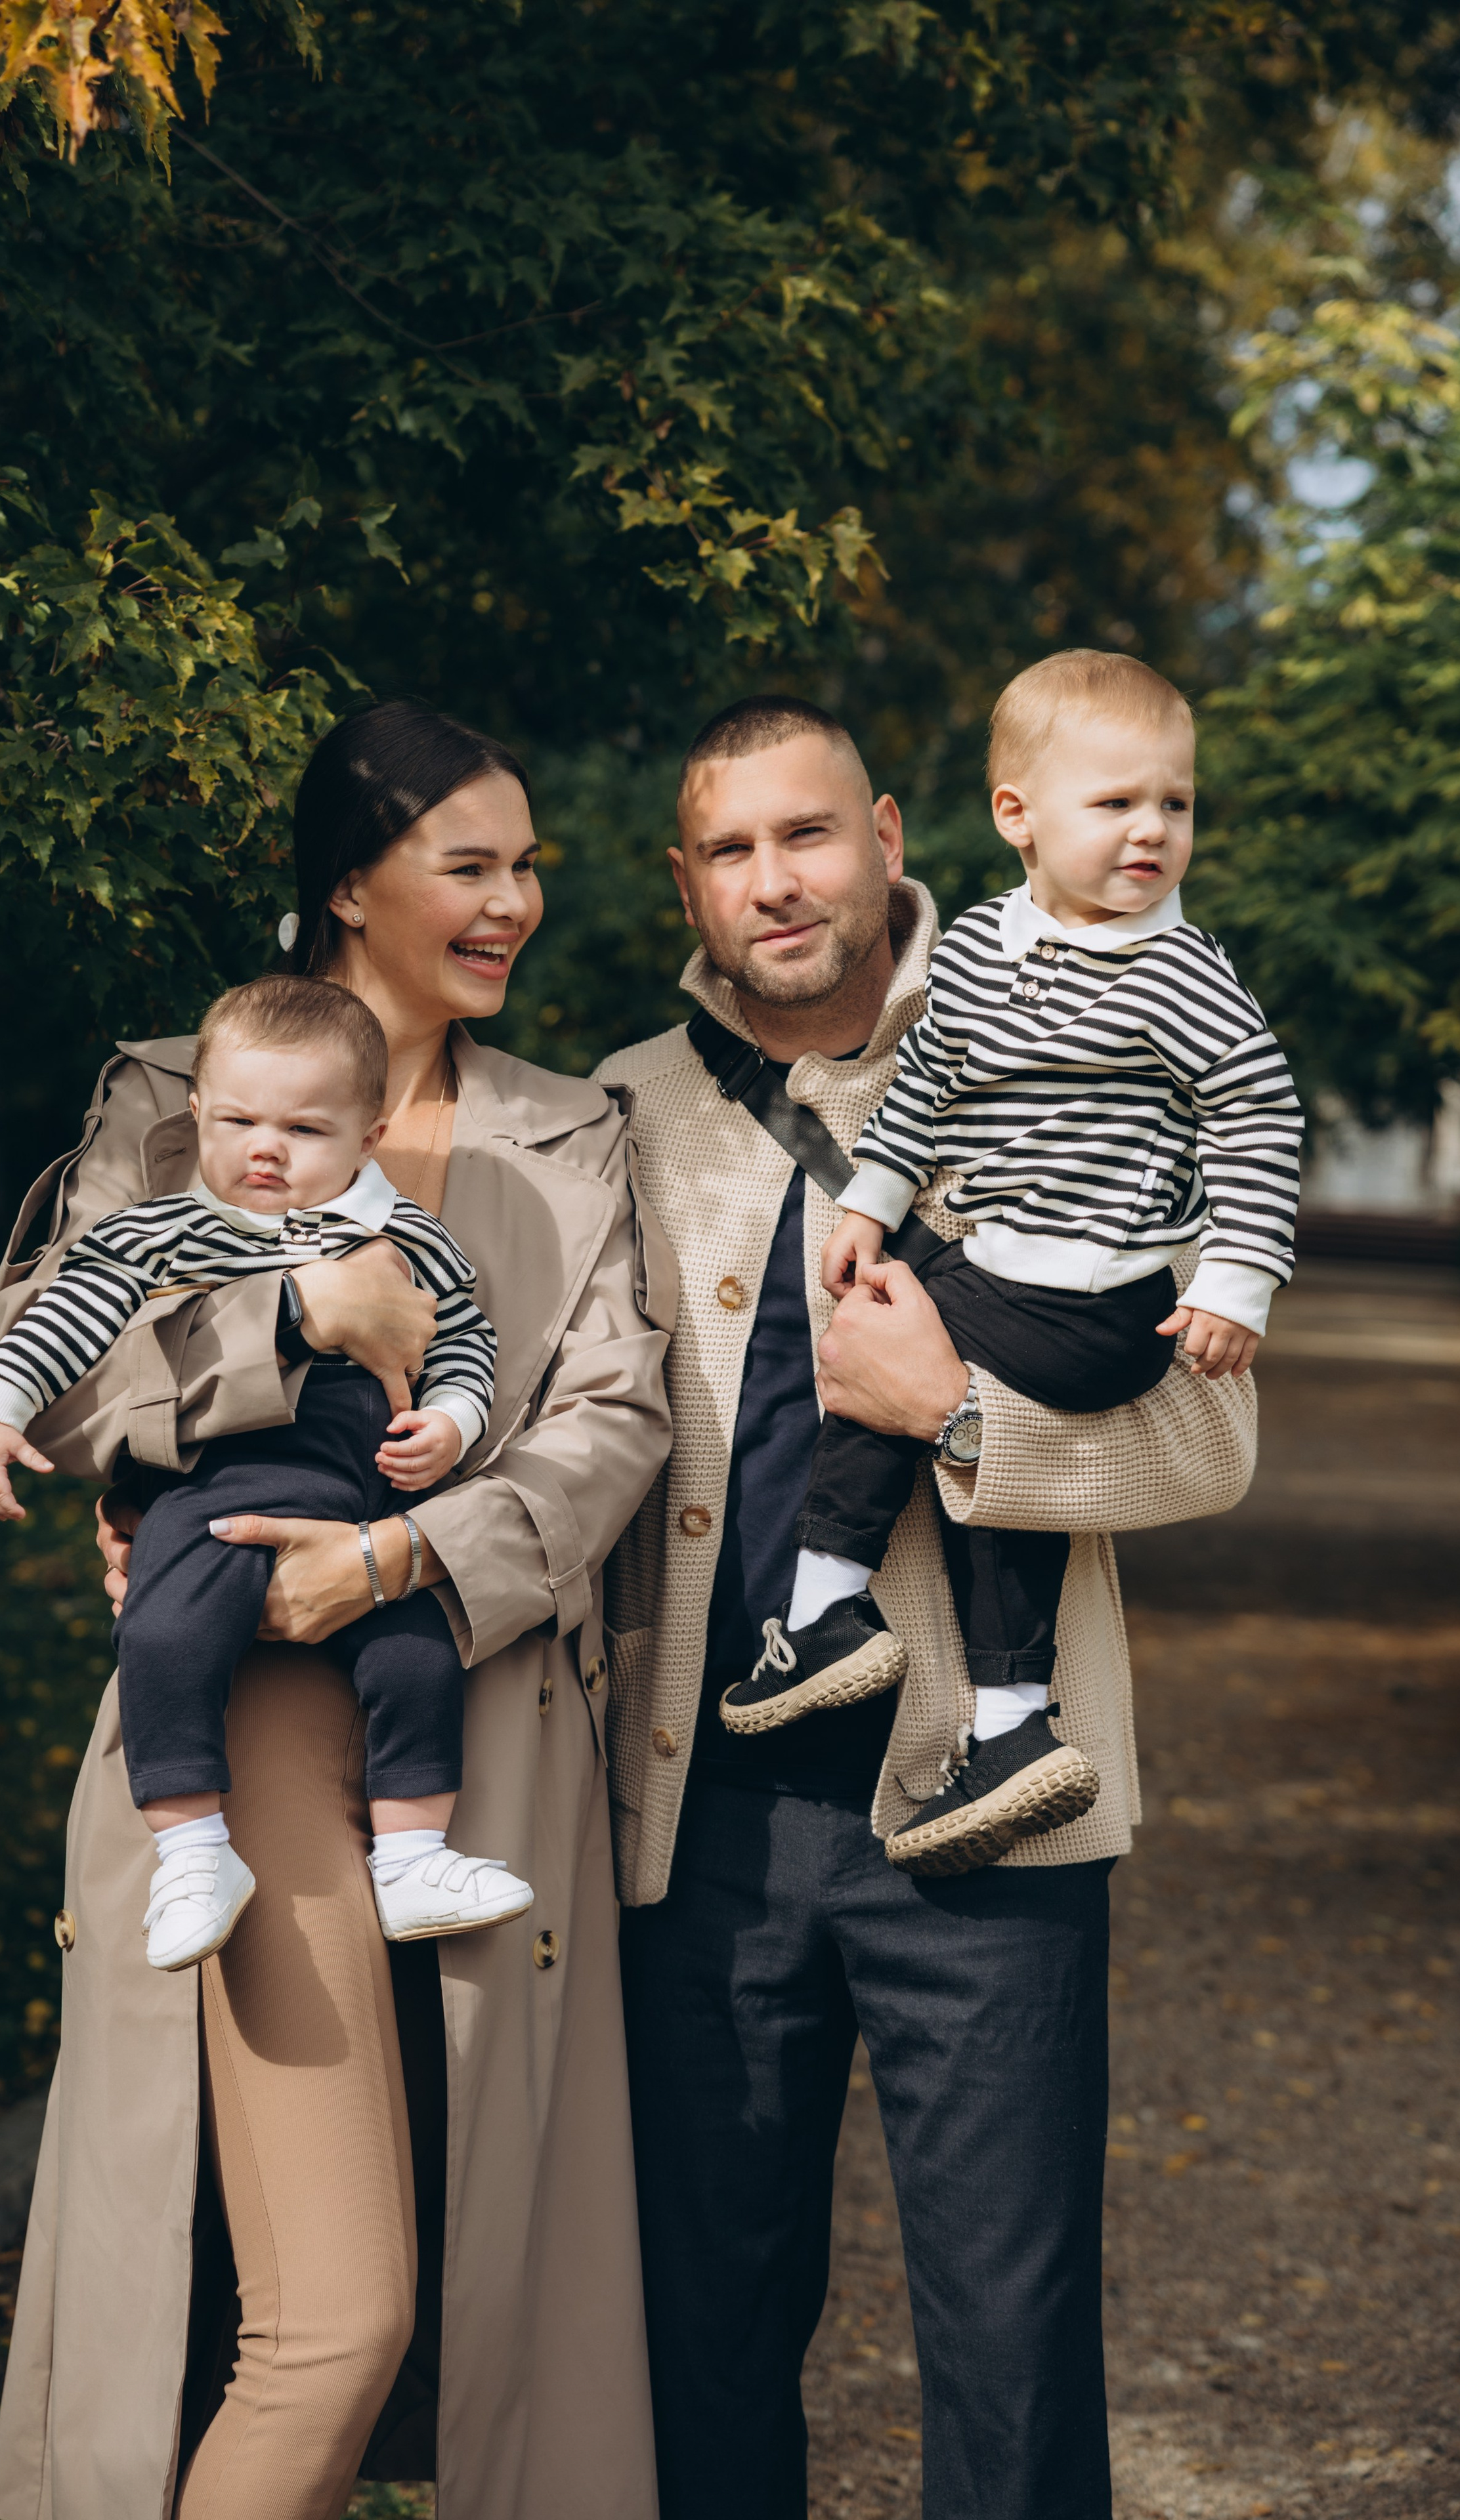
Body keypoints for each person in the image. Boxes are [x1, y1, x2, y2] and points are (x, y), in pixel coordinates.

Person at [0, 702, 674, 2520]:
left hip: (475, 1731)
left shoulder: (573, 1131)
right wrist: (304, 1333)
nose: (519, 899)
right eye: (474, 866)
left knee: (461, 2334)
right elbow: (68, 1376)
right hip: (246, 1748)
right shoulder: (177, 1087)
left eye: (529, 864)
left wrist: (401, 1558)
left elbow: (615, 1425)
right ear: (348, 886)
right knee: (330, 2323)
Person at [597, 692, 1258, 2520]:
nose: (773, 882)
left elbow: (1214, 1439)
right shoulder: (620, 1117)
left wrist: (959, 1417)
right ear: (685, 880)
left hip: (992, 1812)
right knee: (705, 2332)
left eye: (806, 835)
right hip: (703, 1814)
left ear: (895, 833)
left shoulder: (1099, 1018)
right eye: (730, 851)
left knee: (1010, 2338)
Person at [725, 651, 1303, 1876]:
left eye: (1176, 803)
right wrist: (874, 1201)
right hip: (1016, 1271)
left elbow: (1259, 1113)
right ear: (1016, 817)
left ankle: (827, 1605)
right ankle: (1009, 1725)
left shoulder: (1182, 972)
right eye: (1117, 803)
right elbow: (930, 1087)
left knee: (887, 1350)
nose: (1153, 830)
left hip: (1101, 1295)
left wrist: (1235, 1282)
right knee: (995, 1467)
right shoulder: (984, 947)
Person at [0, 972, 533, 1964]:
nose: (265, 1148)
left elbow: (464, 1337)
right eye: (237, 1120)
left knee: (420, 1660)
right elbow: (65, 1324)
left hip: (370, 1503)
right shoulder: (165, 1229)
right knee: (166, 1635)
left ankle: (413, 1858)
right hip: (214, 1493)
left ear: (368, 1132)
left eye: (305, 1130)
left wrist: (451, 1416)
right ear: (196, 1112)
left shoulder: (411, 1239)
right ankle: (191, 1852)